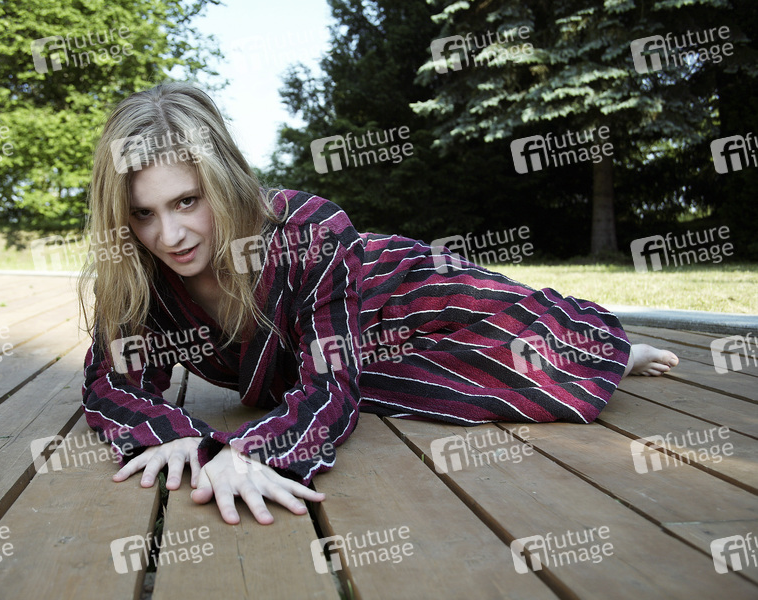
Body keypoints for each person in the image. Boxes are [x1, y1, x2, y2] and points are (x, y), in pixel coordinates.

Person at [78, 82, 679, 526]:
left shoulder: (308, 231)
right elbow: (111, 383)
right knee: (425, 383)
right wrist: (171, 435)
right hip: (348, 356)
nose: (170, 236)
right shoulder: (135, 268)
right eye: (143, 213)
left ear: (224, 181)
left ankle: (608, 351)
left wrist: (254, 451)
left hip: (386, 288)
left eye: (187, 201)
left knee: (537, 339)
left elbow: (328, 387)